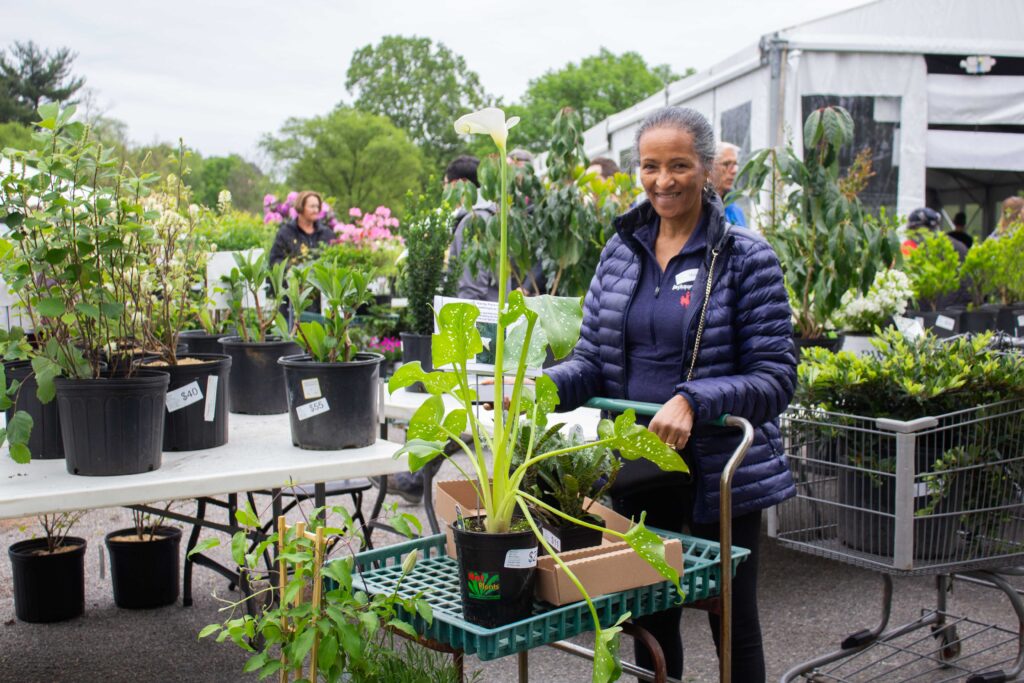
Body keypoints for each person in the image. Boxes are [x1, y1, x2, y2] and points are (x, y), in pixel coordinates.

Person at [545, 106, 797, 681]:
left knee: (730, 621)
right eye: (650, 166)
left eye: (679, 165)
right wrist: (538, 389)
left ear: (706, 169)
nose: (663, 181)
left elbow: (776, 376)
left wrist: (695, 400)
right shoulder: (619, 253)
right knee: (649, 617)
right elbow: (592, 363)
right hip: (641, 465)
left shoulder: (744, 258)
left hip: (717, 474)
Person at [268, 191, 335, 267]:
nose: (316, 210)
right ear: (301, 207)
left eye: (318, 207)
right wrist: (293, 270)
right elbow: (275, 260)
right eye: (312, 206)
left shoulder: (327, 233)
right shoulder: (286, 232)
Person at [711, 141, 746, 227]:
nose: (734, 171)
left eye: (735, 164)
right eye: (726, 164)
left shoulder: (736, 211)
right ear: (709, 167)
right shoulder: (697, 208)